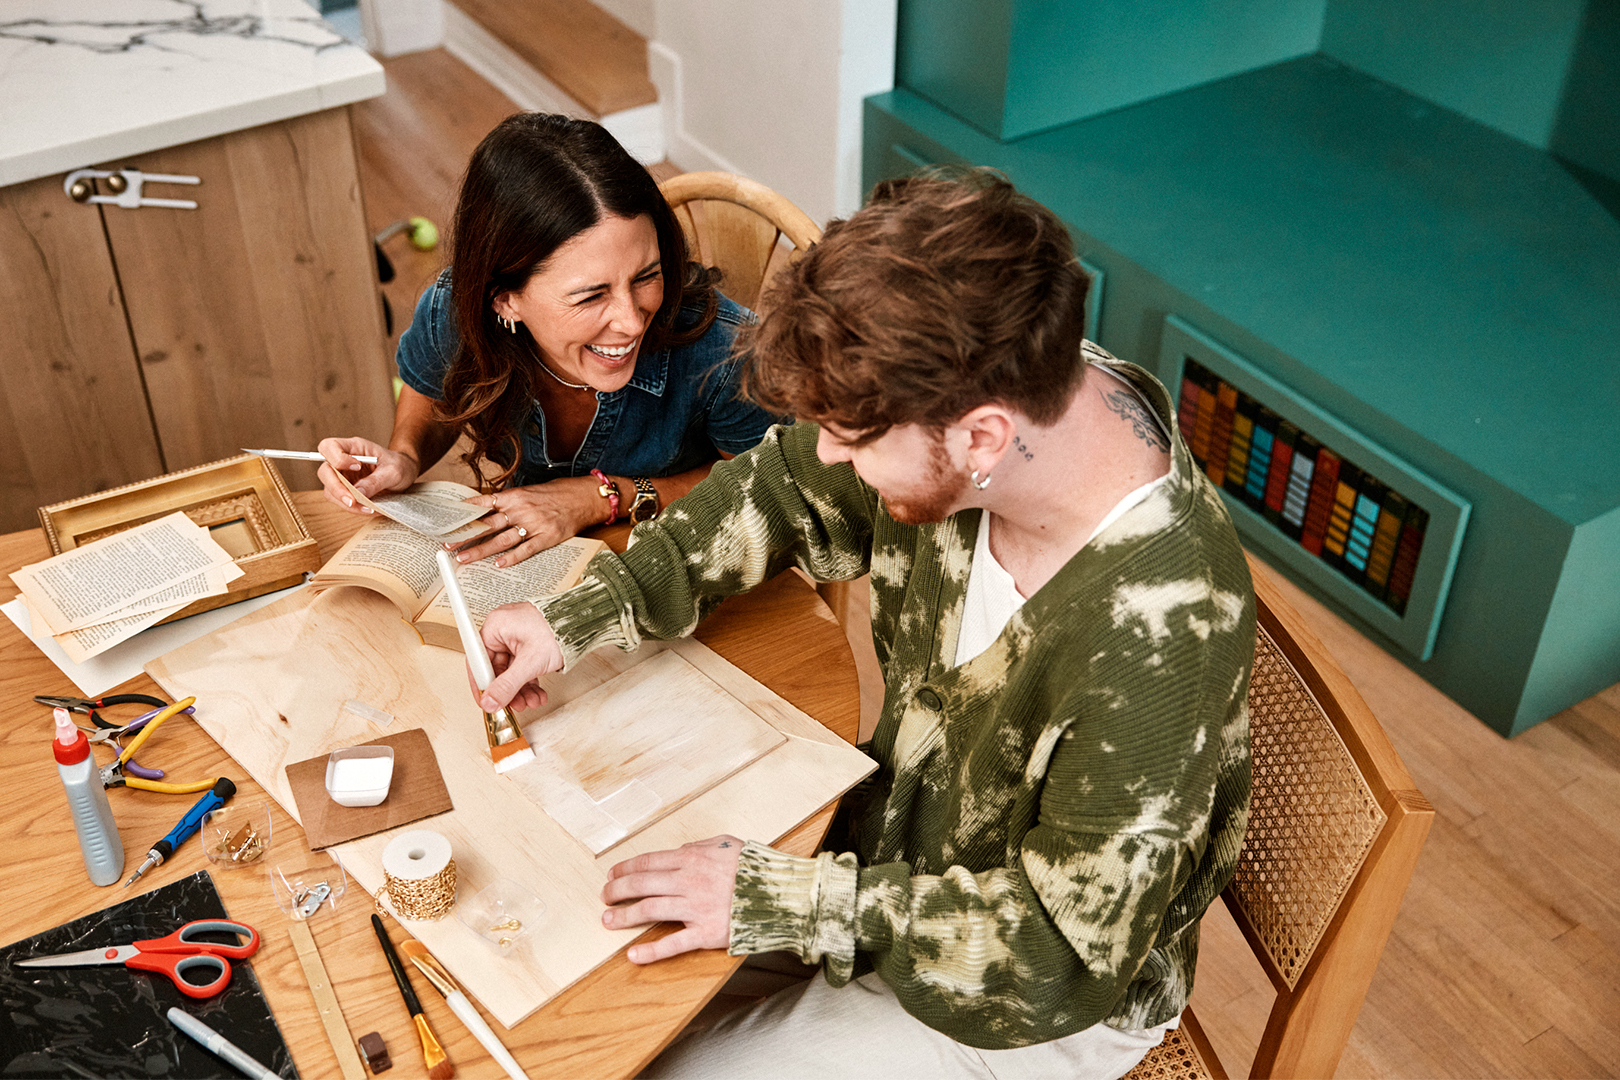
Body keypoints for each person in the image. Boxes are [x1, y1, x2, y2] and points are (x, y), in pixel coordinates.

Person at [475, 169, 1255, 1079]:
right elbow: (784, 482)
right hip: (881, 855)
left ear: (984, 440)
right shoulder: (997, 399)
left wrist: (789, 902)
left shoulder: (1161, 641)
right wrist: (591, 611)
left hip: (1025, 1000)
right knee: (568, 998)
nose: (831, 452)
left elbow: (1057, 960)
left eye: (855, 436)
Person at [316, 113, 784, 568]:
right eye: (591, 295)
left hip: (680, 561)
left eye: (647, 276)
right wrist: (405, 456)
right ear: (505, 302)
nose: (632, 321)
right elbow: (434, 390)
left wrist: (602, 497)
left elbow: (769, 484)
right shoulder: (455, 309)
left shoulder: (725, 349)